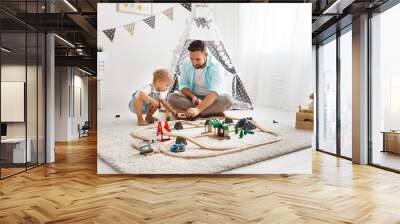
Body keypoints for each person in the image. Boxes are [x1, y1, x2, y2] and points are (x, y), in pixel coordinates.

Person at [168, 40, 232, 118]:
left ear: (205, 55)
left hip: (211, 99)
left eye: (198, 59)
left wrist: (198, 109)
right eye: (192, 59)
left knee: (227, 100)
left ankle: (195, 112)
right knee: (171, 98)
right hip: (194, 99)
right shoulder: (186, 63)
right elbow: (183, 85)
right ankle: (209, 113)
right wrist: (193, 97)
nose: (194, 63)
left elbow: (215, 92)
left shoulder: (216, 66)